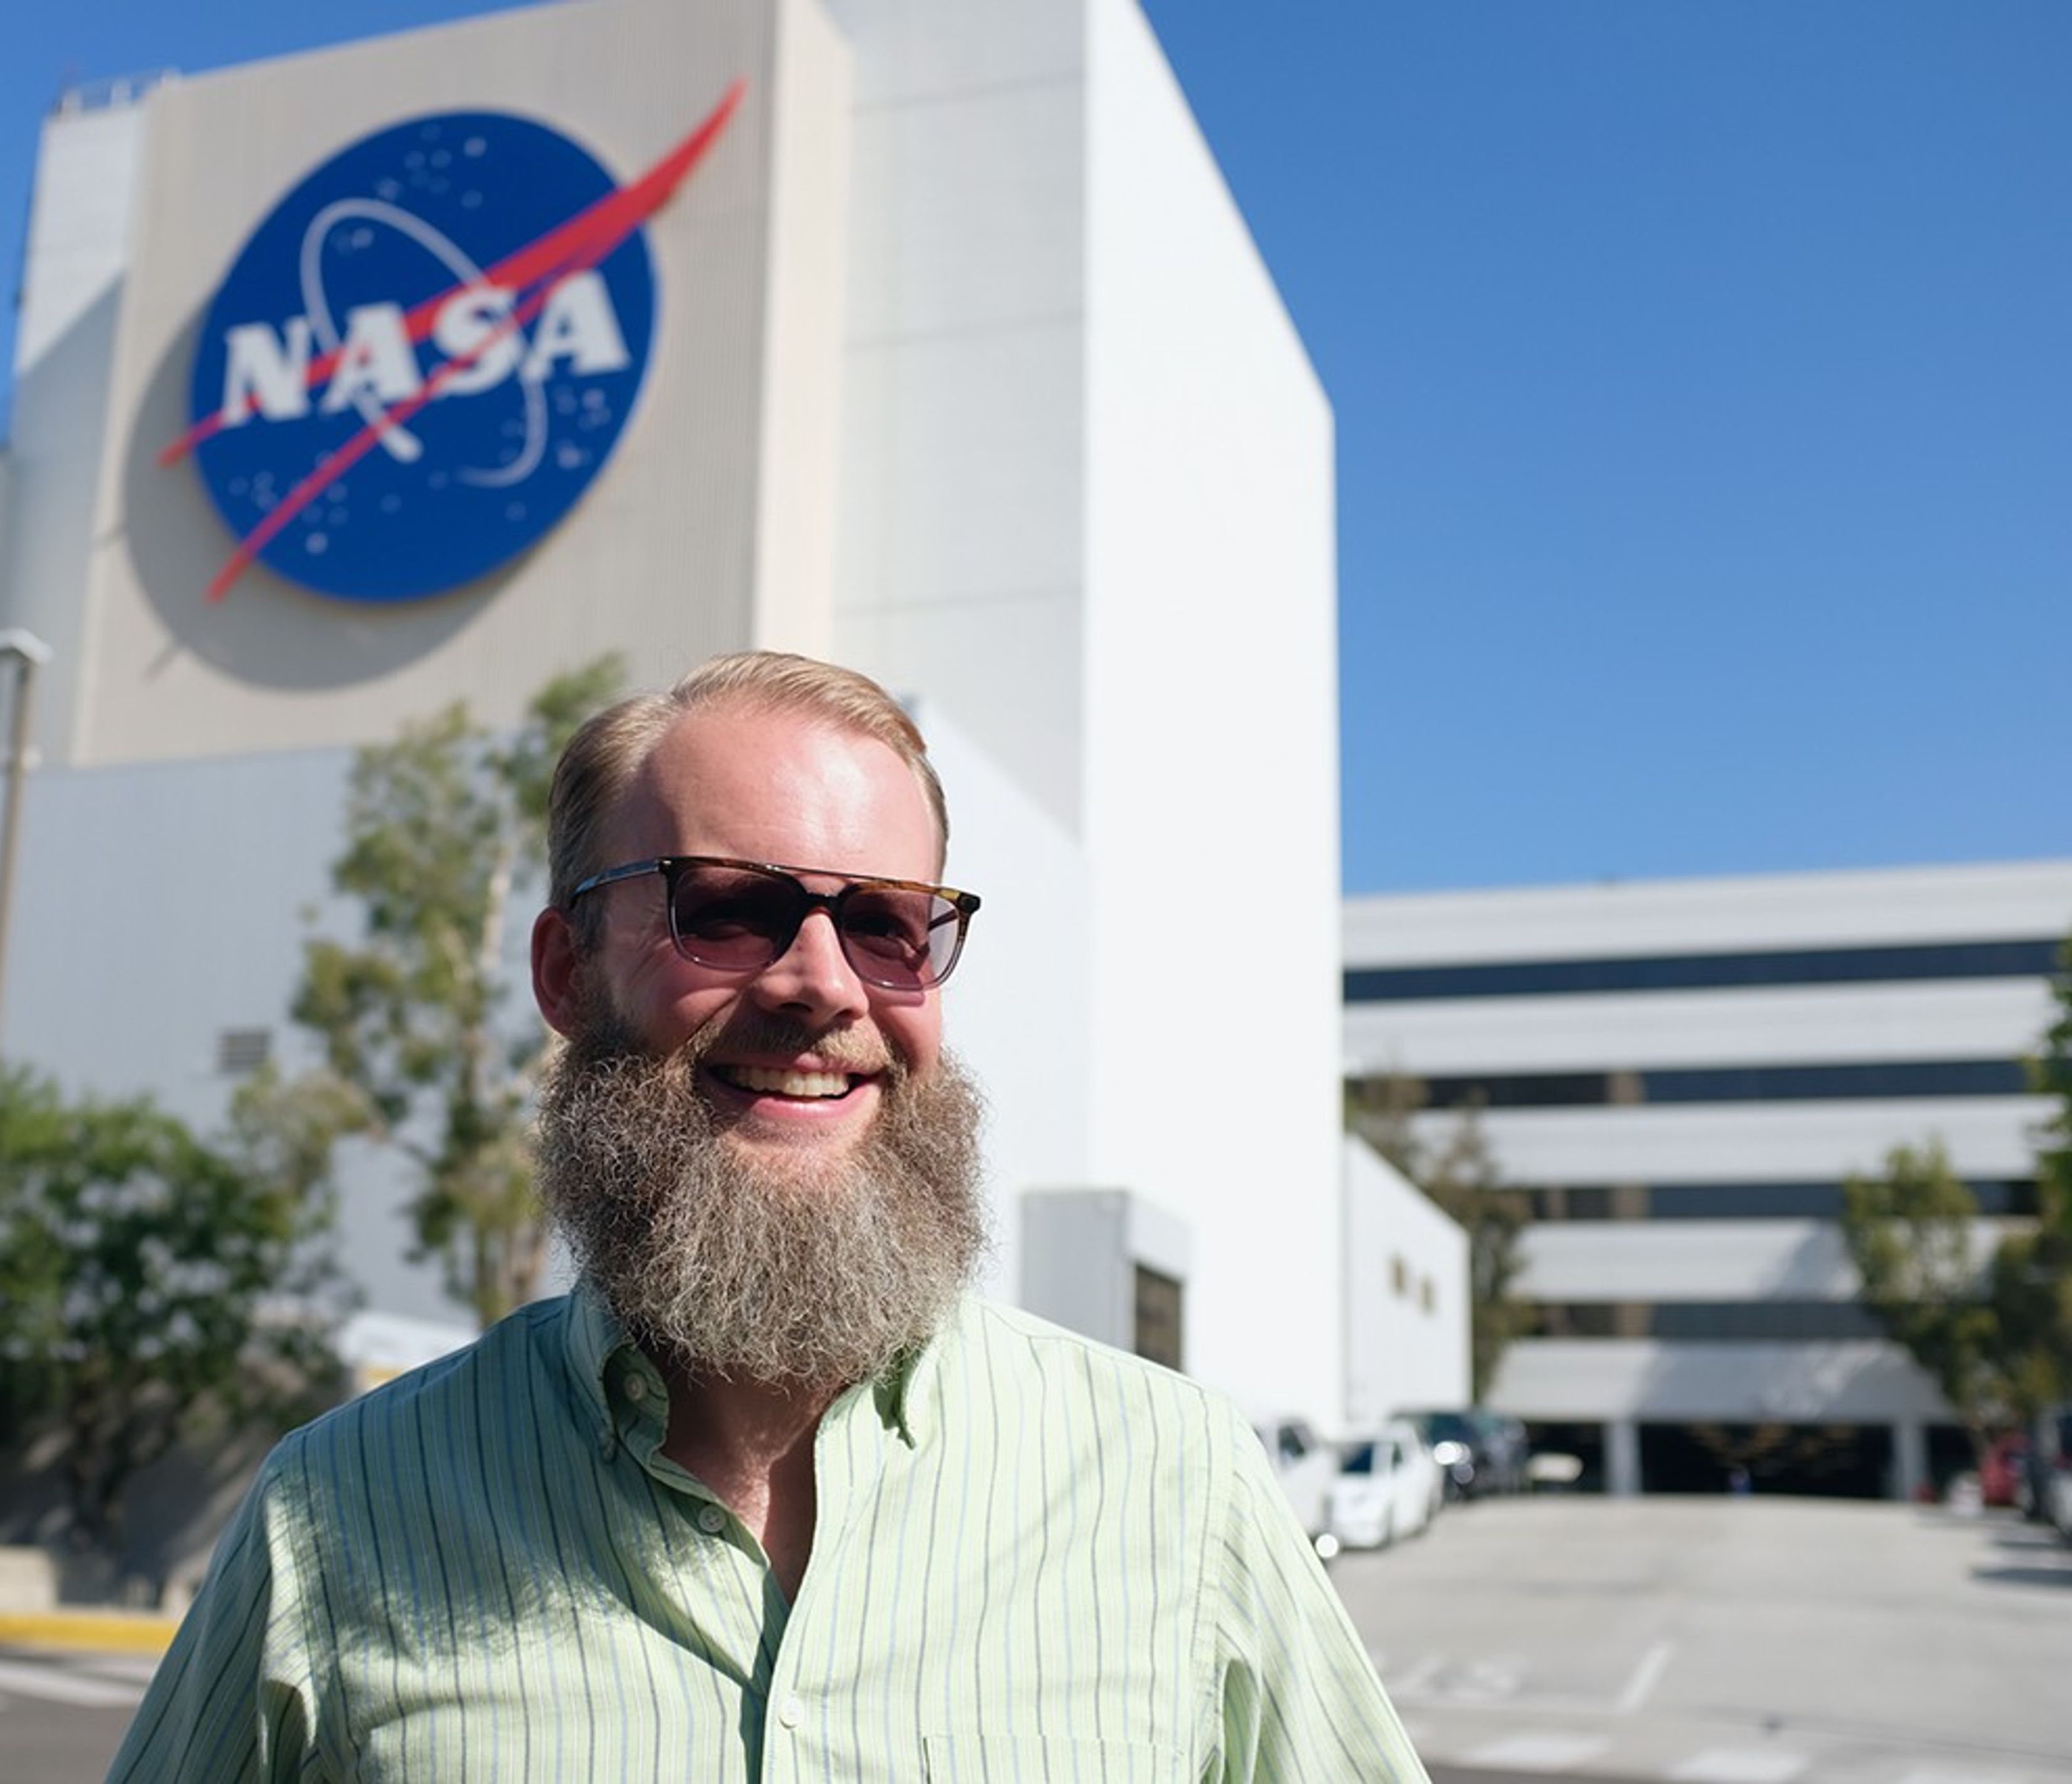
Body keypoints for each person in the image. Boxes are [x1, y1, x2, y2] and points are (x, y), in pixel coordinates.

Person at [107, 652, 1426, 1781]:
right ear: (568, 971)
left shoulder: (1175, 1484)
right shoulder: (338, 1509)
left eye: (885, 923)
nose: (820, 984)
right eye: (727, 908)